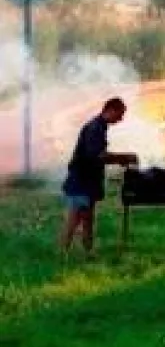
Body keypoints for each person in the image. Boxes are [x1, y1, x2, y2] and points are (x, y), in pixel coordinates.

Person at [60, 97, 138, 258]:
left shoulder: (100, 127)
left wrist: (119, 159)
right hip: (80, 180)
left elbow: (99, 156)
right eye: (120, 114)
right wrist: (123, 157)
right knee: (75, 219)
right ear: (110, 110)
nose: (120, 119)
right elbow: (97, 155)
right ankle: (62, 254)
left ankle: (88, 252)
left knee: (88, 218)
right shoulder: (95, 128)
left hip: (88, 181)